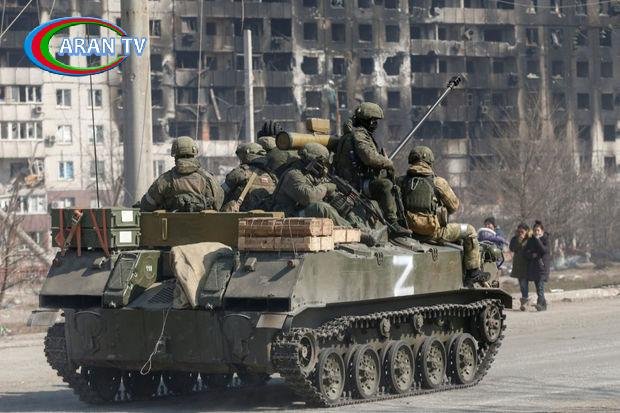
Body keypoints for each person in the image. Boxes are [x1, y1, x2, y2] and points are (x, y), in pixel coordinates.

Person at [400, 145, 488, 284]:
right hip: (434, 233)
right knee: (470, 230)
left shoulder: (401, 182)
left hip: (408, 232)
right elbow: (454, 206)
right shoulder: (438, 182)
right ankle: (473, 272)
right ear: (430, 161)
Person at [333, 102, 410, 236]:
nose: (375, 124)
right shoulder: (359, 135)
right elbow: (369, 158)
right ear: (365, 120)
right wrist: (387, 163)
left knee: (395, 185)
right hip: (357, 184)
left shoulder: (353, 134)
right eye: (373, 121)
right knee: (386, 185)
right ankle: (393, 223)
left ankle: (399, 221)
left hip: (357, 181)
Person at [271, 143, 351, 227]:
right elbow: (308, 197)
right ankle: (350, 231)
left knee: (346, 211)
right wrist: (326, 187)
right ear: (311, 160)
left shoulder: (311, 175)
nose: (324, 167)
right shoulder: (293, 174)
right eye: (322, 162)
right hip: (286, 218)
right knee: (321, 208)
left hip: (298, 213)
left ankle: (357, 227)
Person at [140, 136, 223, 212]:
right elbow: (220, 204)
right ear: (194, 153)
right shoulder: (208, 180)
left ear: (175, 155)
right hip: (205, 224)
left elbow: (146, 205)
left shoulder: (165, 180)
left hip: (170, 224)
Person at [221, 142, 277, 212]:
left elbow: (221, 194)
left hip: (242, 216)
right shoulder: (271, 176)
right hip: (266, 216)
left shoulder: (240, 172)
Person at [523, 220, 550, 311]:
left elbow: (544, 250)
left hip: (543, 267)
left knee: (540, 287)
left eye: (538, 230)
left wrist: (538, 240)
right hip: (534, 268)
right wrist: (531, 255)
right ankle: (544, 305)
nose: (536, 232)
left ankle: (540, 305)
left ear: (542, 231)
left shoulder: (545, 239)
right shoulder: (531, 240)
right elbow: (525, 252)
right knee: (538, 288)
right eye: (535, 230)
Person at [509, 223, 531, 311]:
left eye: (522, 231)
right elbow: (512, 248)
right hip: (518, 265)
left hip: (528, 264)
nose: (520, 233)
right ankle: (525, 300)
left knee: (525, 283)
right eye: (519, 231)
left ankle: (538, 301)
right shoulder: (515, 239)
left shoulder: (529, 239)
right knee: (522, 284)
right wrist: (519, 241)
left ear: (526, 231)